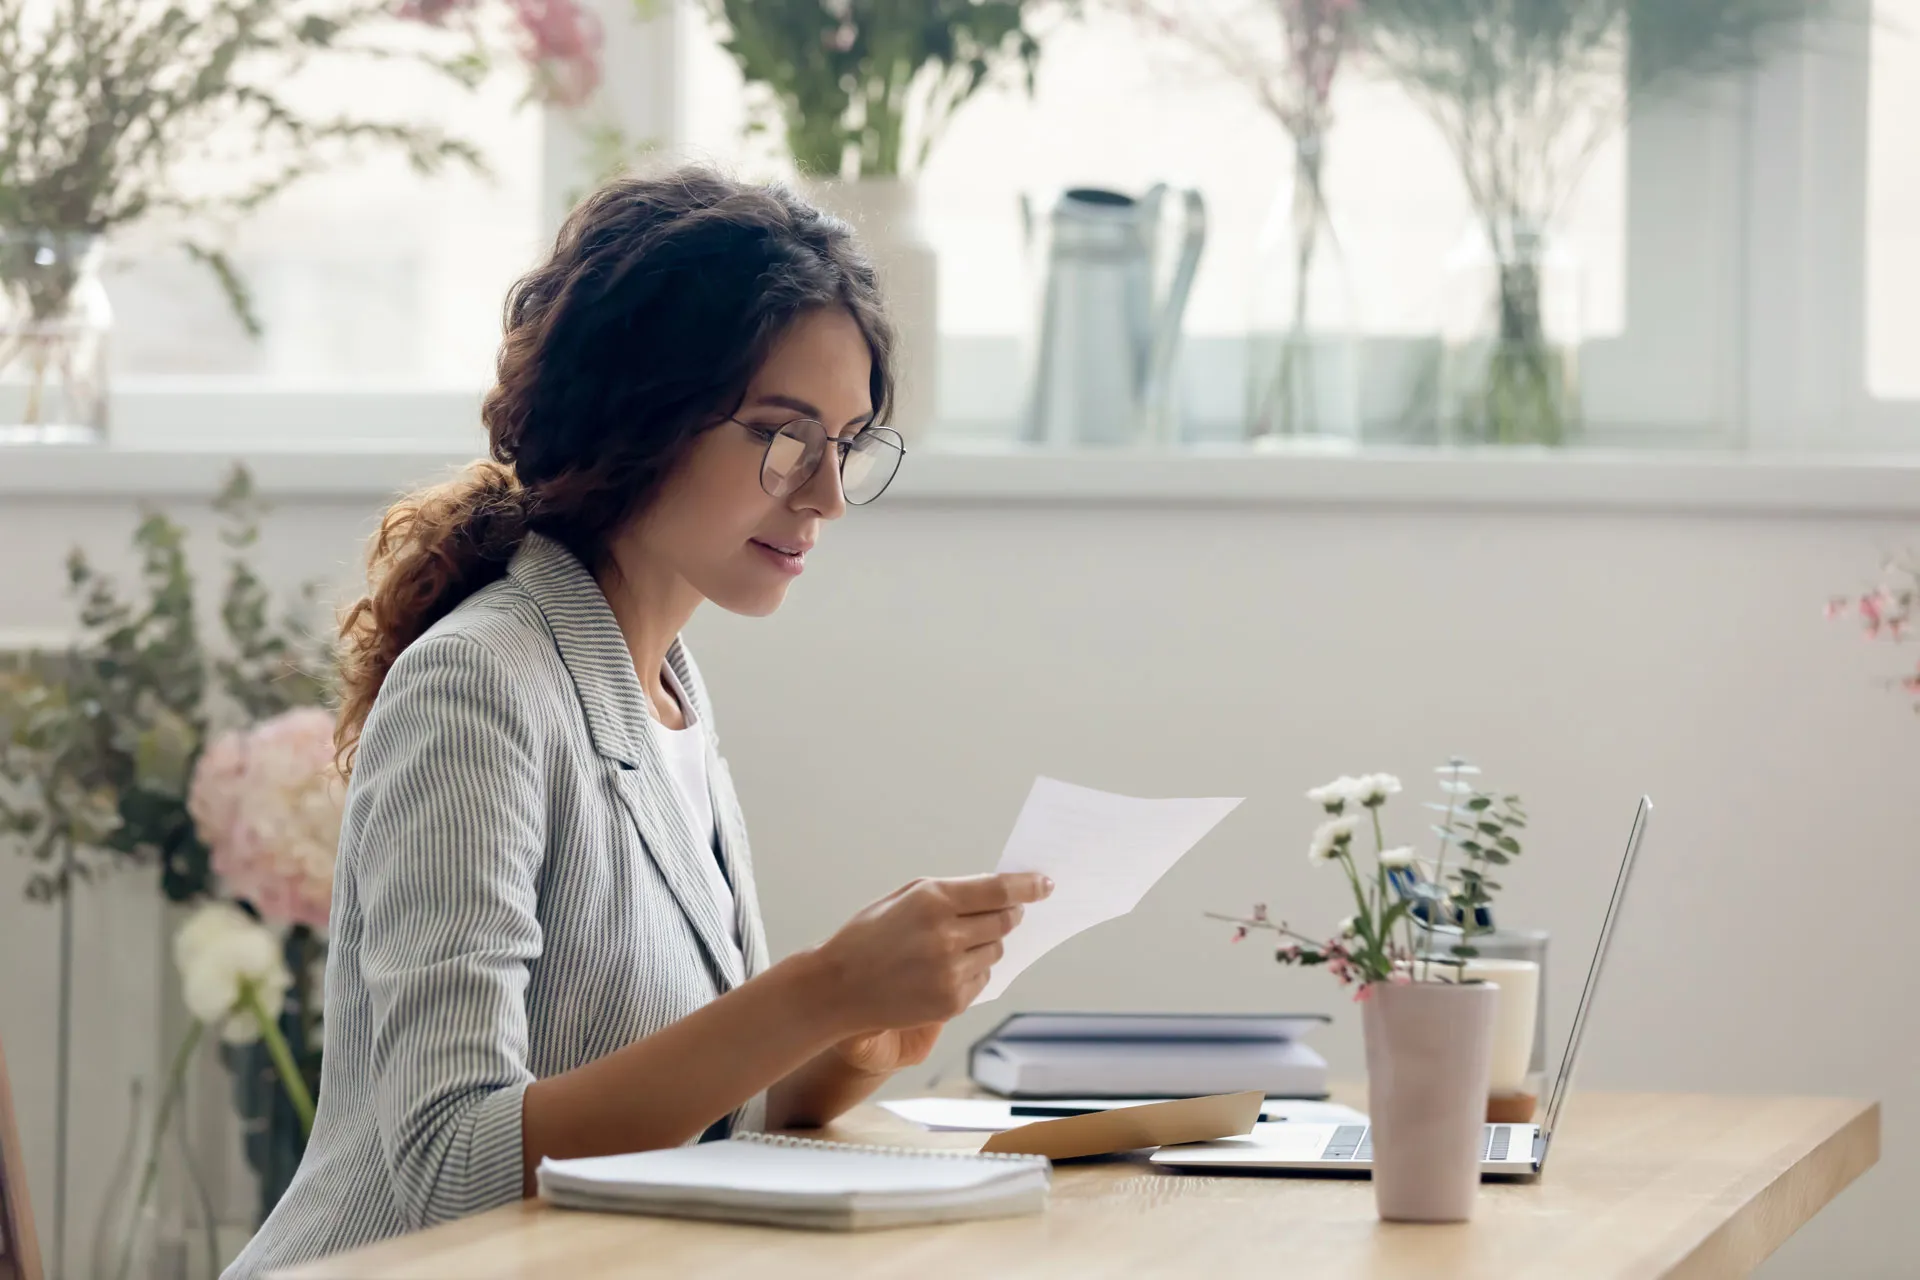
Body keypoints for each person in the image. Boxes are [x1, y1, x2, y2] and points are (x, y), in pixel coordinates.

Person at [224, 167, 1051, 1277]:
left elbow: (673, 1112)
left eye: (847, 442)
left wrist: (848, 1043)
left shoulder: (666, 685)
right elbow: (450, 1167)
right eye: (782, 434)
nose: (826, 495)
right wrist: (814, 987)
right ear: (640, 414)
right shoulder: (477, 687)